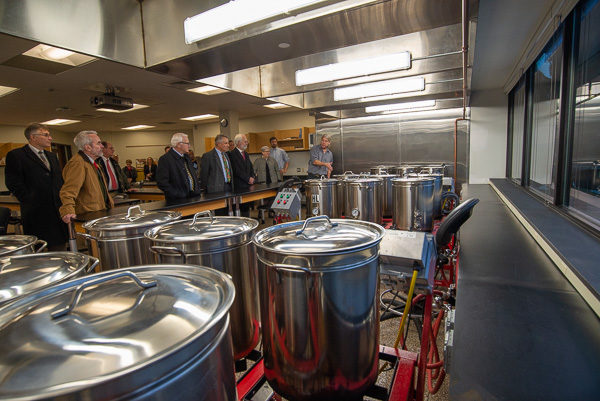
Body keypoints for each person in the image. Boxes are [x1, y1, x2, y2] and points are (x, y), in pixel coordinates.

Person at [4, 123, 68, 250]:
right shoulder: (17, 155)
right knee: (39, 248)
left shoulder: (51, 156)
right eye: (46, 135)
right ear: (33, 137)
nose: (50, 138)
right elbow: (13, 182)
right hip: (36, 212)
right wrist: (29, 199)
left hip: (57, 210)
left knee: (59, 248)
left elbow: (58, 180)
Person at [60, 131, 114, 223]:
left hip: (100, 213)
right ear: (88, 147)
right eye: (98, 143)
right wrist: (68, 211)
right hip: (88, 216)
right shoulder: (78, 163)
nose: (102, 146)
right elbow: (68, 191)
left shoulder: (92, 162)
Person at [156, 133, 201, 200]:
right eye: (187, 143)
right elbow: (162, 183)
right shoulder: (165, 159)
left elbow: (192, 175)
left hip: (193, 197)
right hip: (177, 200)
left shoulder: (186, 157)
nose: (189, 146)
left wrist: (197, 190)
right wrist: (178, 194)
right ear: (179, 144)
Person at [229, 134, 256, 217]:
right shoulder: (232, 154)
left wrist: (252, 177)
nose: (247, 143)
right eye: (245, 141)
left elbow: (251, 167)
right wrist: (248, 178)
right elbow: (236, 170)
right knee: (240, 208)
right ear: (238, 142)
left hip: (248, 185)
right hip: (239, 185)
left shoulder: (246, 154)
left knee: (246, 207)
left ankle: (248, 222)